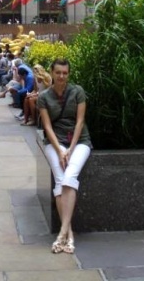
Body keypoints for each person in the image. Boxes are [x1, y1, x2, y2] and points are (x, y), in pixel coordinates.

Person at [37, 58, 91, 255]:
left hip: (80, 142)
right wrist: (60, 150)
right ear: (51, 73)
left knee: (69, 178)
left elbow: (80, 122)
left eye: (65, 73)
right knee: (60, 180)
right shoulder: (43, 97)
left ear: (69, 74)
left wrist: (70, 149)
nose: (61, 76)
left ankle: (62, 234)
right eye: (58, 72)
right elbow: (47, 126)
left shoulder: (78, 91)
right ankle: (69, 234)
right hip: (54, 142)